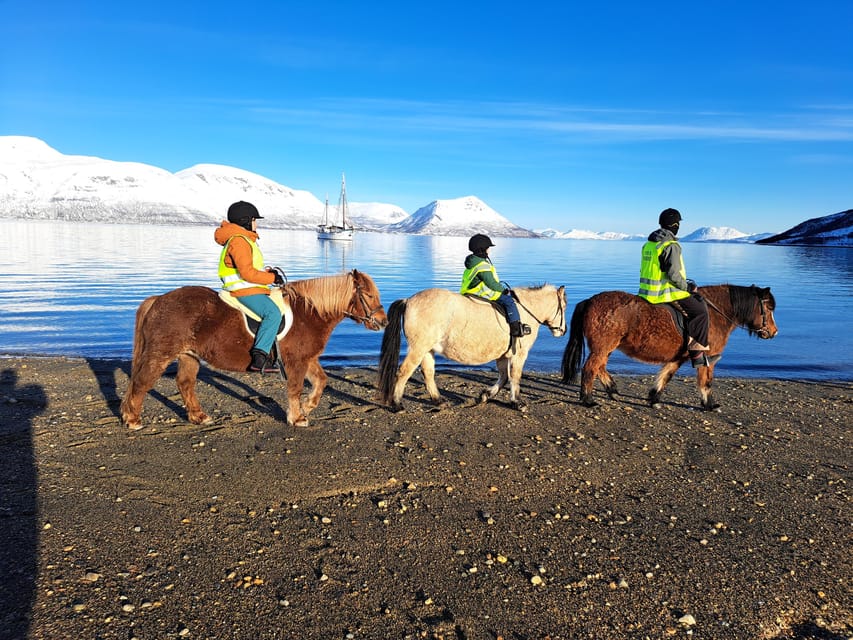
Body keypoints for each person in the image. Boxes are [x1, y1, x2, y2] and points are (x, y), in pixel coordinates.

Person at [638, 208, 719, 368]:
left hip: (645, 293)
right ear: (674, 225)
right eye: (678, 224)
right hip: (664, 294)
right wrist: (688, 287)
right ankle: (698, 355)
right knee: (701, 311)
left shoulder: (649, 244)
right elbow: (673, 275)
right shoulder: (671, 245)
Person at [215, 201, 284, 372]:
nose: (256, 223)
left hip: (248, 287)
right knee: (272, 313)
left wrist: (267, 271)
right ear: (245, 221)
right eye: (254, 220)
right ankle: (260, 357)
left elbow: (250, 268)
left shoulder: (243, 239)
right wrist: (271, 277)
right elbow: (246, 273)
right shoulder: (239, 241)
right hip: (244, 290)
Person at [460, 233, 531, 337]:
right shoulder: (482, 265)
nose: (490, 250)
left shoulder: (472, 262)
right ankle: (516, 329)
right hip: (480, 293)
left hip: (467, 291)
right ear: (482, 249)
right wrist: (504, 291)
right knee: (509, 301)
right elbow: (491, 284)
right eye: (488, 248)